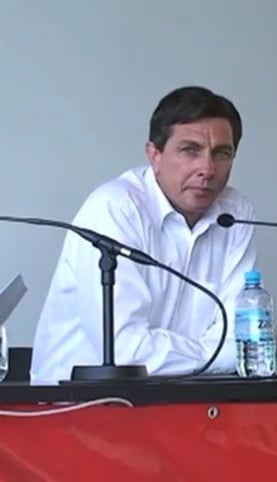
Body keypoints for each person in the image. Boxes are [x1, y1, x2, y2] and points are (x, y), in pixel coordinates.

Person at [30, 86, 257, 384]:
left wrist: (218, 356)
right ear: (154, 155)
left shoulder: (235, 213)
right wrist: (213, 356)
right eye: (190, 150)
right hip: (74, 400)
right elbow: (125, 352)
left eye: (222, 153)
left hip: (181, 394)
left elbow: (242, 338)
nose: (207, 168)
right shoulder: (115, 209)